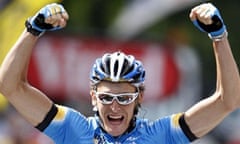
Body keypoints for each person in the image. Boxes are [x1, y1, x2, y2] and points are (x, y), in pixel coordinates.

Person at [0, 2, 239, 144]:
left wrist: (219, 37)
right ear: (93, 97)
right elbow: (10, 86)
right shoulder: (74, 127)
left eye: (124, 98)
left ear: (140, 98)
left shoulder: (160, 134)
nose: (114, 107)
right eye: (106, 98)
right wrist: (32, 29)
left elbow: (227, 101)